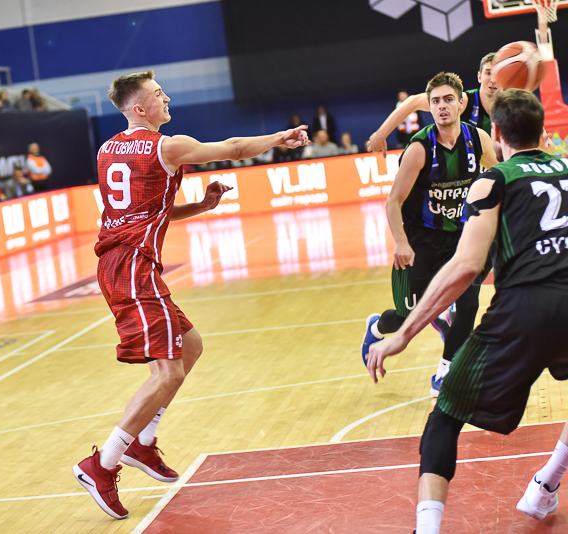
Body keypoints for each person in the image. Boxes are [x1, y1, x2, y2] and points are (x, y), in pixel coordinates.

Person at [71, 69, 309, 520]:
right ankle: (102, 464)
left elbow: (145, 210)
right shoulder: (167, 146)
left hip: (124, 263)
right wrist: (280, 137)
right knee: (167, 372)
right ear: (139, 108)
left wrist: (200, 206)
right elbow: (234, 148)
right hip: (133, 267)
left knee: (190, 345)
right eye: (158, 94)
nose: (166, 99)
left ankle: (142, 443)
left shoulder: (106, 150)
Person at [366, 88, 568, 534]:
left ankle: (428, 528)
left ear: (496, 133)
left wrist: (404, 335)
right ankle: (545, 485)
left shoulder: (493, 180)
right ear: (544, 132)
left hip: (524, 308)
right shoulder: (567, 169)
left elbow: (465, 267)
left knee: (445, 416)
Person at [359, 72, 498, 397]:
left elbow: (497, 175)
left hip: (460, 238)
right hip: (420, 240)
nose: (441, 106)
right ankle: (377, 326)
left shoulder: (478, 139)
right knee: (408, 316)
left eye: (448, 99)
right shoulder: (420, 148)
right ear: (430, 107)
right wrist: (401, 242)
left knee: (468, 303)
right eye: (435, 101)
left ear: (461, 104)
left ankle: (446, 373)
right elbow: (394, 202)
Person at [368, 53, 497, 156]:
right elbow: (413, 101)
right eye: (488, 73)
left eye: (497, 73)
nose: (492, 79)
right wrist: (380, 135)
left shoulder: (507, 106)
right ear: (479, 77)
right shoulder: (463, 101)